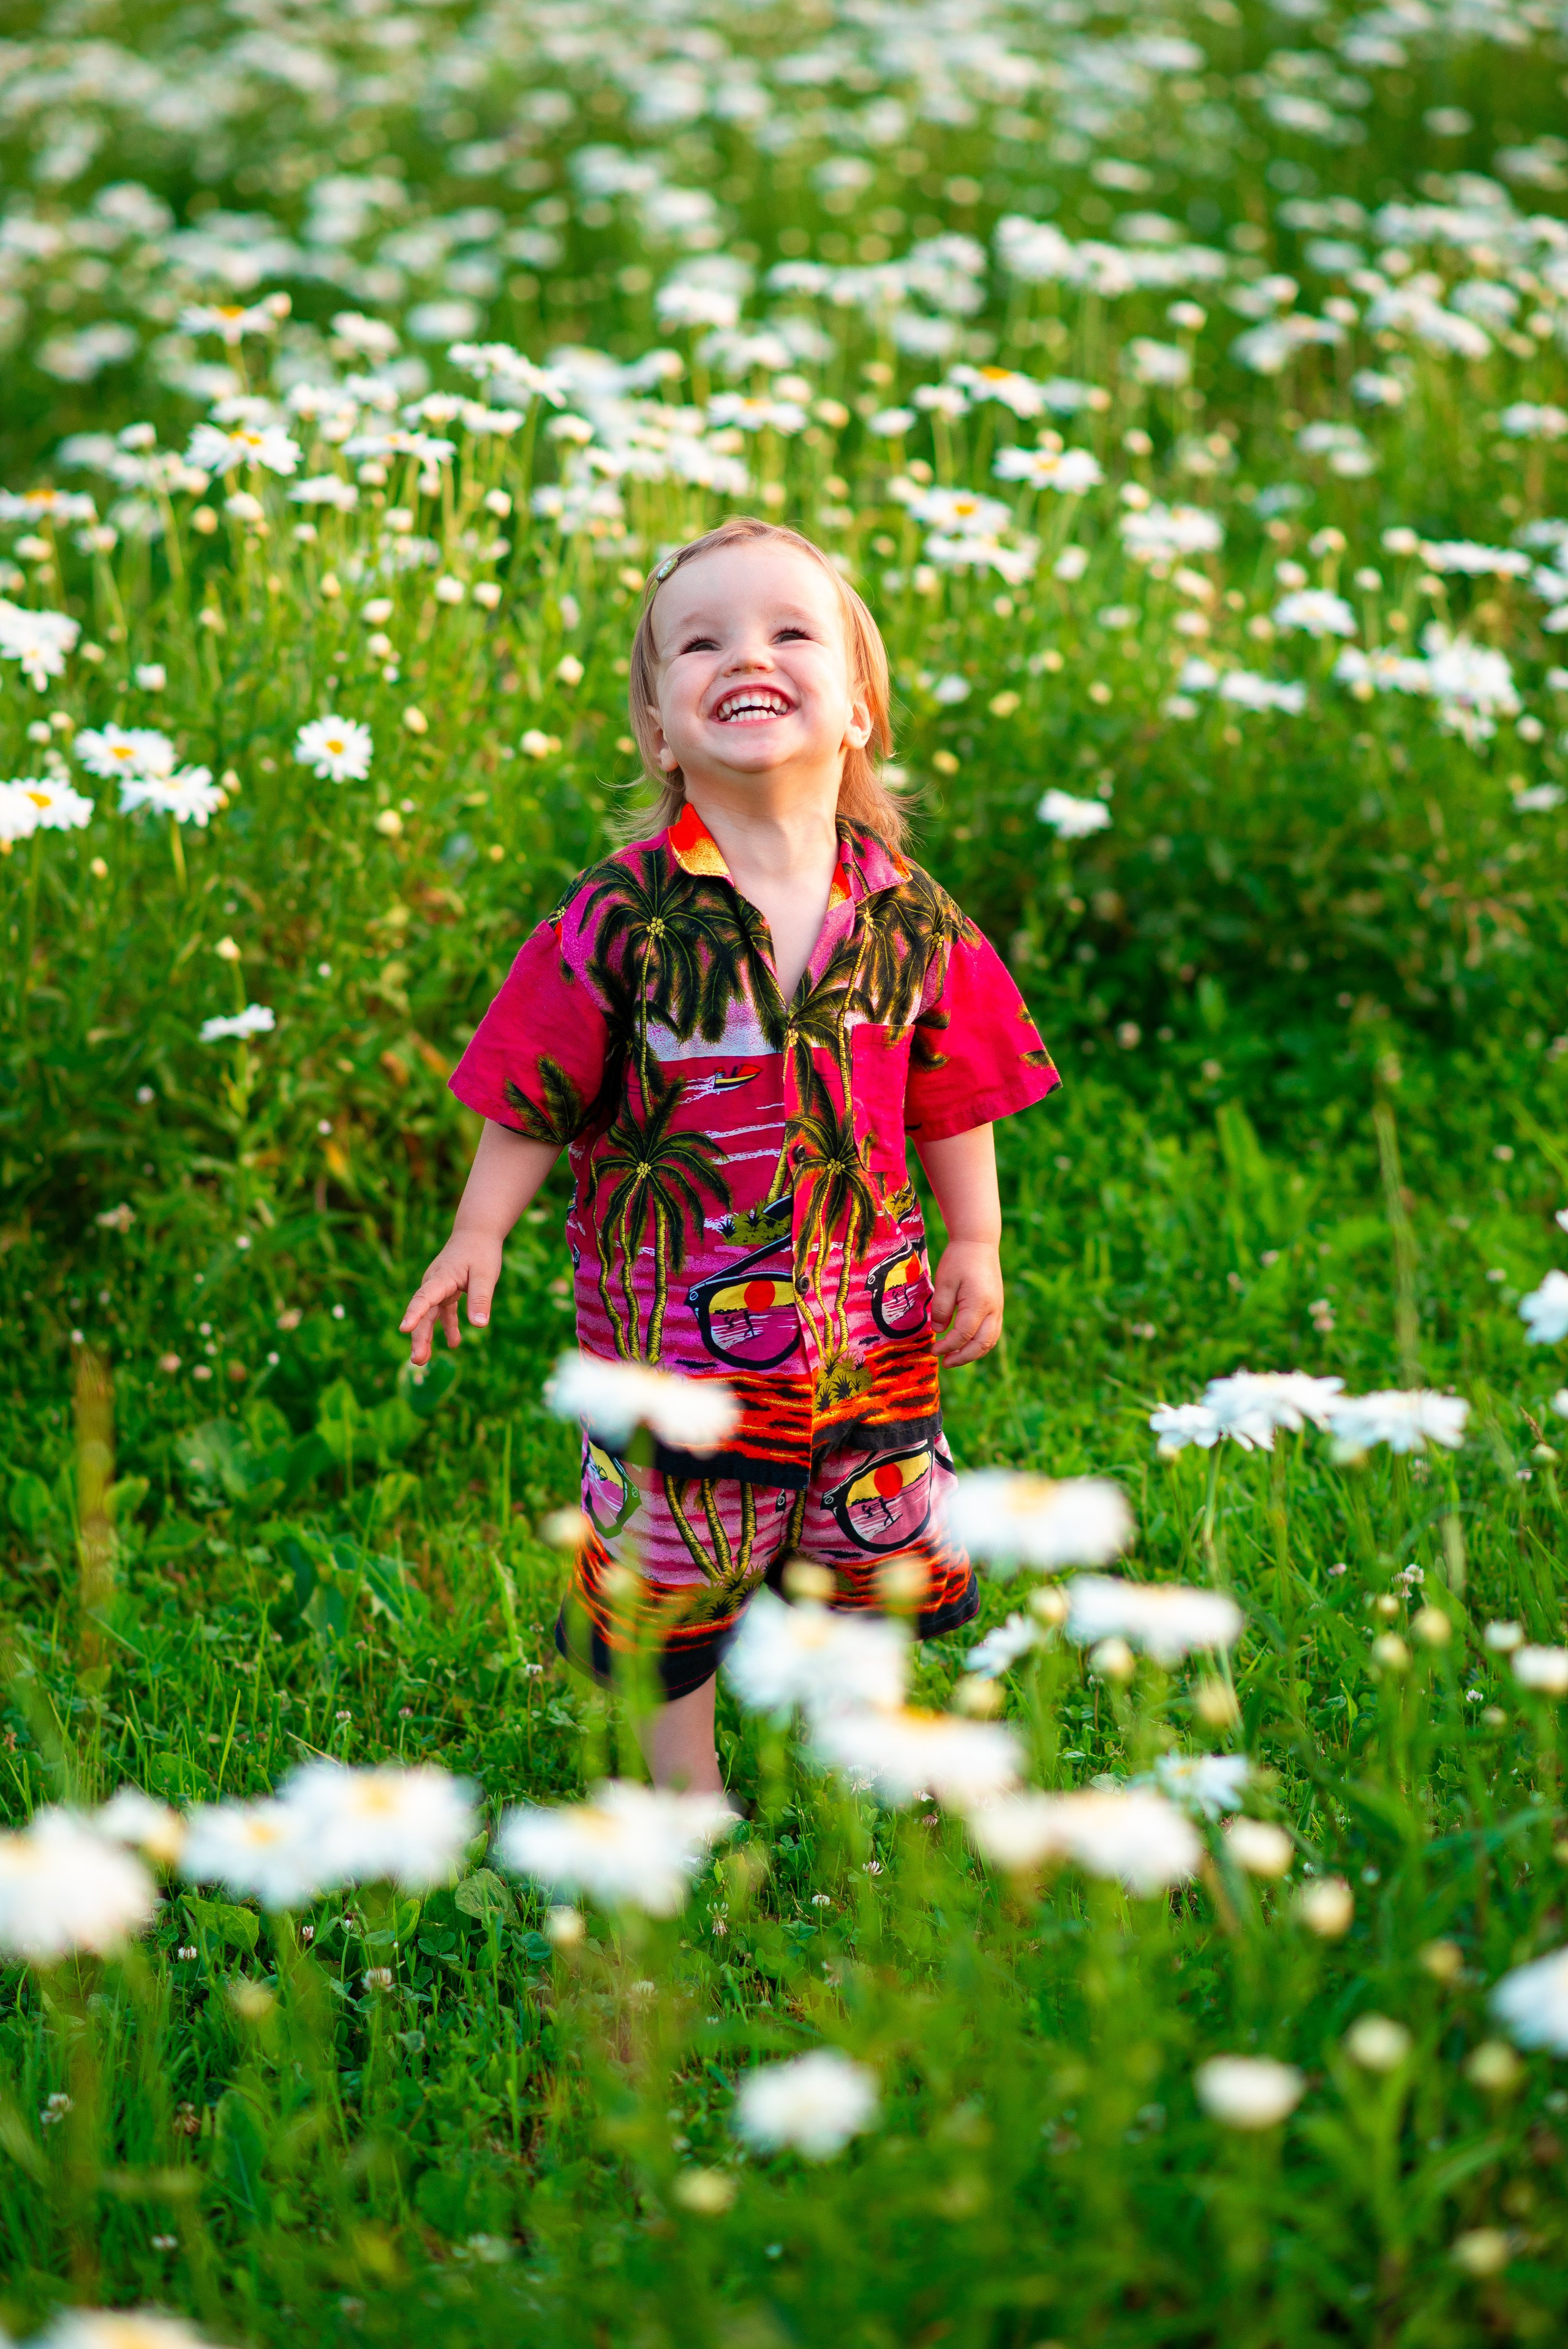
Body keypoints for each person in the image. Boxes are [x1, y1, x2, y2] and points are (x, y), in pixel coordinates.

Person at [399, 516, 1058, 1792]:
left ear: (858, 709)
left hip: (868, 1330)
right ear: (660, 731)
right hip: (675, 1348)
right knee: (675, 1562)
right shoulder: (619, 916)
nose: (745, 655)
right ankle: (683, 1788)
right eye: (699, 644)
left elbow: (954, 1090)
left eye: (789, 631)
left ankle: (848, 1745)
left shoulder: (910, 917)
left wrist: (974, 1238)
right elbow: (533, 1086)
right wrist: (478, 1228)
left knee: (868, 1548)